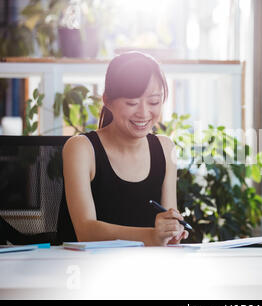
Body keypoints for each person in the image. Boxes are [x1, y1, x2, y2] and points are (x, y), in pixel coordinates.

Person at [57, 52, 188, 246]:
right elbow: (85, 230)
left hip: (142, 268)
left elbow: (168, 226)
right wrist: (152, 235)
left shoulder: (165, 148)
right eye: (132, 103)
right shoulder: (82, 149)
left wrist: (171, 232)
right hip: (83, 269)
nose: (144, 113)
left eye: (154, 102)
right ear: (107, 101)